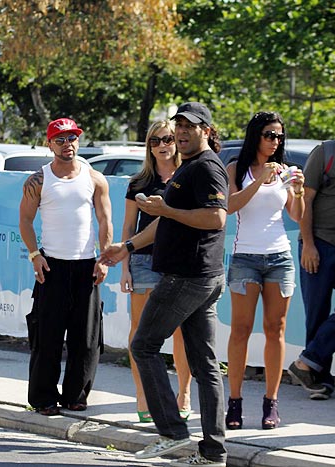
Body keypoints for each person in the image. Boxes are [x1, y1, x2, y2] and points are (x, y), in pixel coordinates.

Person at [100, 102, 228, 467]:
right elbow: (163, 221)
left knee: (142, 345)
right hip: (199, 276)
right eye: (178, 127)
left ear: (206, 130)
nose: (182, 132)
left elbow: (217, 217)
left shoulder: (205, 167)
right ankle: (213, 453)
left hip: (189, 277)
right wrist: (125, 248)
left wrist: (168, 210)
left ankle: (172, 433)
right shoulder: (189, 167)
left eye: (189, 127)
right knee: (204, 365)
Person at [19, 117, 112, 416]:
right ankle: (44, 398)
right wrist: (35, 255)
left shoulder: (95, 178)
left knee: (86, 340)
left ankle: (76, 395)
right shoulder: (39, 180)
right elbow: (25, 220)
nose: (67, 144)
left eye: (71, 138)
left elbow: (104, 220)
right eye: (59, 139)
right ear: (49, 144)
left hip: (86, 266)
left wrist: (104, 258)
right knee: (47, 337)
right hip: (53, 267)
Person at [224, 112, 304, 430]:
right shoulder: (237, 169)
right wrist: (259, 181)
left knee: (276, 329)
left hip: (279, 257)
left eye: (279, 137)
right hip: (245, 257)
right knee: (241, 330)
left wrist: (297, 191)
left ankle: (271, 403)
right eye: (270, 135)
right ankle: (235, 401)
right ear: (256, 135)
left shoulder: (286, 171)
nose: (275, 142)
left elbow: (296, 216)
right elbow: (230, 207)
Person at [120, 120, 192, 424]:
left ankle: (184, 394)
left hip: (180, 263)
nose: (163, 145)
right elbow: (127, 228)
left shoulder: (189, 176)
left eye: (168, 139)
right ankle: (142, 394)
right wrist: (124, 265)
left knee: (182, 332)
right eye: (155, 141)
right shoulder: (138, 182)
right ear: (149, 147)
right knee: (140, 330)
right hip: (143, 262)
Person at [288, 99, 335, 401]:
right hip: (320, 244)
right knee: (316, 313)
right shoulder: (324, 153)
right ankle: (318, 381)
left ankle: (305, 363)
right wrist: (308, 245)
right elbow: (305, 201)